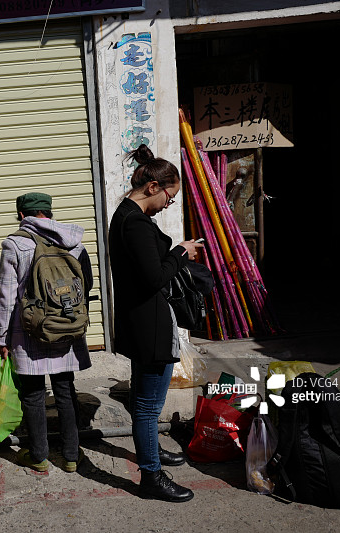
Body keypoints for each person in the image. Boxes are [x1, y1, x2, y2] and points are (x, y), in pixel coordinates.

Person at [108, 144, 204, 502]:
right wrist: (181, 252)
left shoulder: (128, 217)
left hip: (140, 321)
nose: (169, 204)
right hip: (148, 326)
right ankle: (151, 476)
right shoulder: (134, 223)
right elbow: (153, 278)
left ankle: (151, 452)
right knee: (148, 407)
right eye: (170, 196)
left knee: (143, 399)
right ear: (153, 187)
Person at [0, 192, 92, 473]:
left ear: (22, 215)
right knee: (64, 389)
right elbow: (87, 284)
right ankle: (71, 455)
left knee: (33, 393)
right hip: (66, 324)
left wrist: (2, 337)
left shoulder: (15, 244)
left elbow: (6, 296)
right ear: (48, 212)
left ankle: (38, 455)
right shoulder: (73, 240)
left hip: (29, 330)